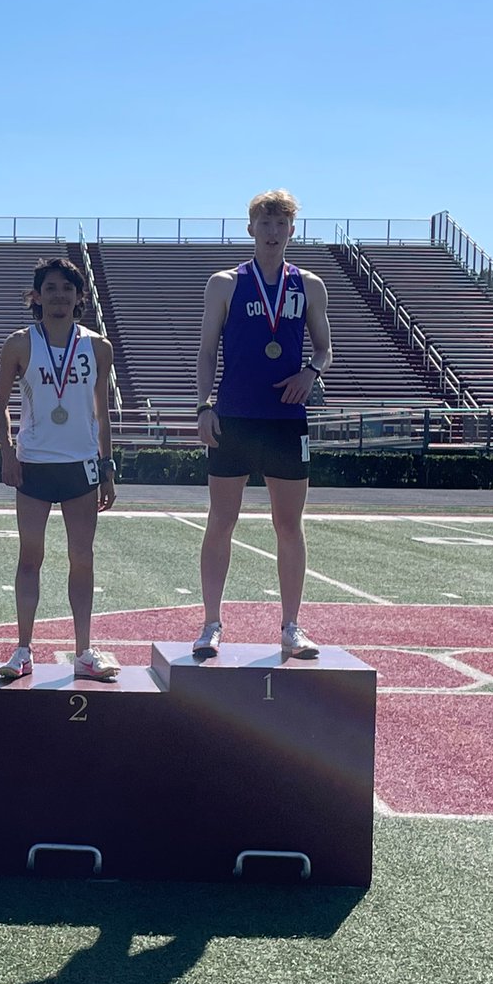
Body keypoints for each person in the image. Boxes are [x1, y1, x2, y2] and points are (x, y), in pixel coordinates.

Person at [192, 189, 333, 660]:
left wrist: (310, 373)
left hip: (286, 422)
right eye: (264, 223)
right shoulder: (224, 283)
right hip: (233, 418)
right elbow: (207, 351)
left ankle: (291, 626)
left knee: (289, 525)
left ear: (293, 230)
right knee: (221, 521)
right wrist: (203, 405)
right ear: (250, 228)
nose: (273, 232)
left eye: (281, 224)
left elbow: (324, 349)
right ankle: (211, 623)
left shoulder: (310, 284)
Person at [0, 256, 120, 682]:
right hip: (34, 466)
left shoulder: (98, 346)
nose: (59, 296)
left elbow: (101, 412)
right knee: (30, 558)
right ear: (37, 296)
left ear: (80, 296)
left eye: (67, 288)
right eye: (50, 288)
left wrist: (106, 466)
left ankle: (83, 651)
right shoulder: (19, 344)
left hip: (81, 466)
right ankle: (23, 649)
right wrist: (8, 453)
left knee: (81, 558)